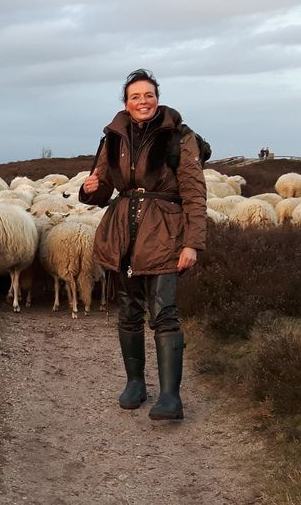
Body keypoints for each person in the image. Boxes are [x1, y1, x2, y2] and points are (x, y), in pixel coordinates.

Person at [79, 68, 206, 420]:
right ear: (126, 102)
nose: (142, 101)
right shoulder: (114, 137)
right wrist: (92, 189)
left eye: (148, 95)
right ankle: (135, 383)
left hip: (164, 232)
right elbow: (104, 187)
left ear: (157, 98)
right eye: (135, 96)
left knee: (164, 313)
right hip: (123, 233)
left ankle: (170, 397)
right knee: (128, 311)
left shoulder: (179, 137)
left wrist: (192, 243)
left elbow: (195, 193)